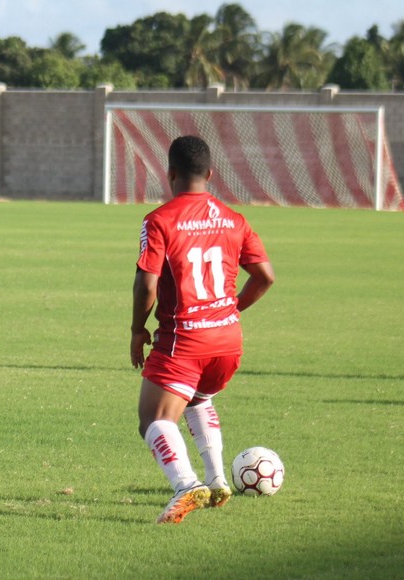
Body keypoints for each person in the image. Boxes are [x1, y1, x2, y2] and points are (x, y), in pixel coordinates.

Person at [130, 135, 275, 524]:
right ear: (210, 174)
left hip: (184, 339)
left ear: (171, 172)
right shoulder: (234, 219)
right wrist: (230, 309)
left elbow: (146, 284)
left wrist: (136, 330)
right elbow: (265, 277)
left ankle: (186, 484)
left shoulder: (159, 220)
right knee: (197, 398)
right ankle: (215, 479)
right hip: (227, 341)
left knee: (154, 420)